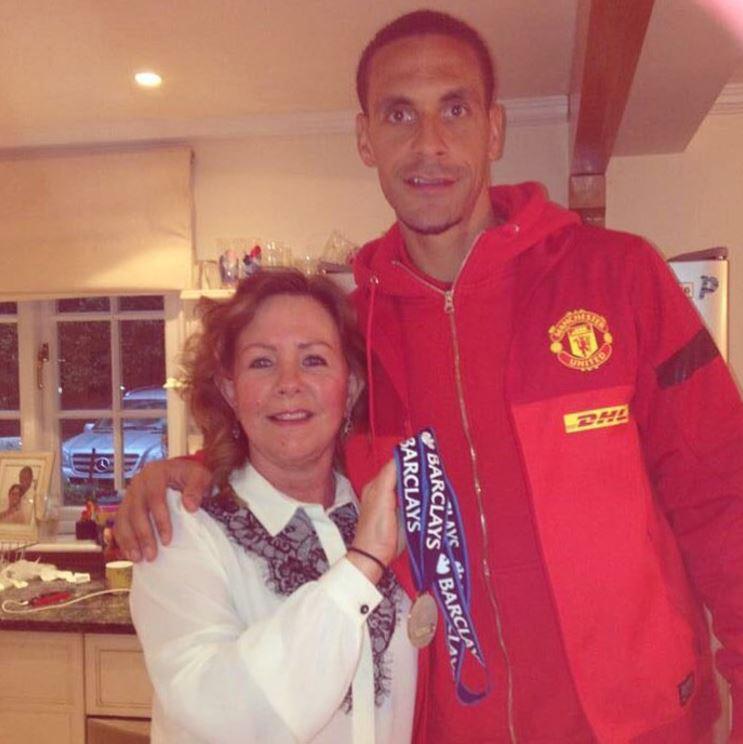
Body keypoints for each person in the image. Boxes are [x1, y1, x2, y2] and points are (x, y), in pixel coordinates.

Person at [116, 10, 743, 743]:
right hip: (450, 726)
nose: (429, 145)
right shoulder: (357, 330)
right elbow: (295, 439)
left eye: (454, 109)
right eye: (398, 115)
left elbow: (721, 496)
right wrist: (189, 471)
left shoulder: (618, 276)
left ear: (494, 129)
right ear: (364, 139)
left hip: (640, 724)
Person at [129, 270, 416, 743]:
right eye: (262, 362)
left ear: (353, 387)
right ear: (229, 390)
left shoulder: (380, 510)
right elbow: (217, 714)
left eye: (315, 360)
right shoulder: (182, 527)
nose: (289, 383)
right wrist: (361, 565)